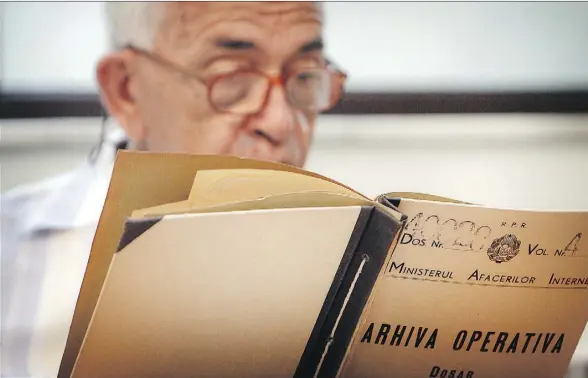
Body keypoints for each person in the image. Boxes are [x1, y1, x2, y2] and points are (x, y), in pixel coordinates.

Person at [0, 2, 347, 377]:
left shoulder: (360, 254)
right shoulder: (13, 253)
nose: (280, 123)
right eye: (233, 79)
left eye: (306, 75)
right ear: (127, 91)